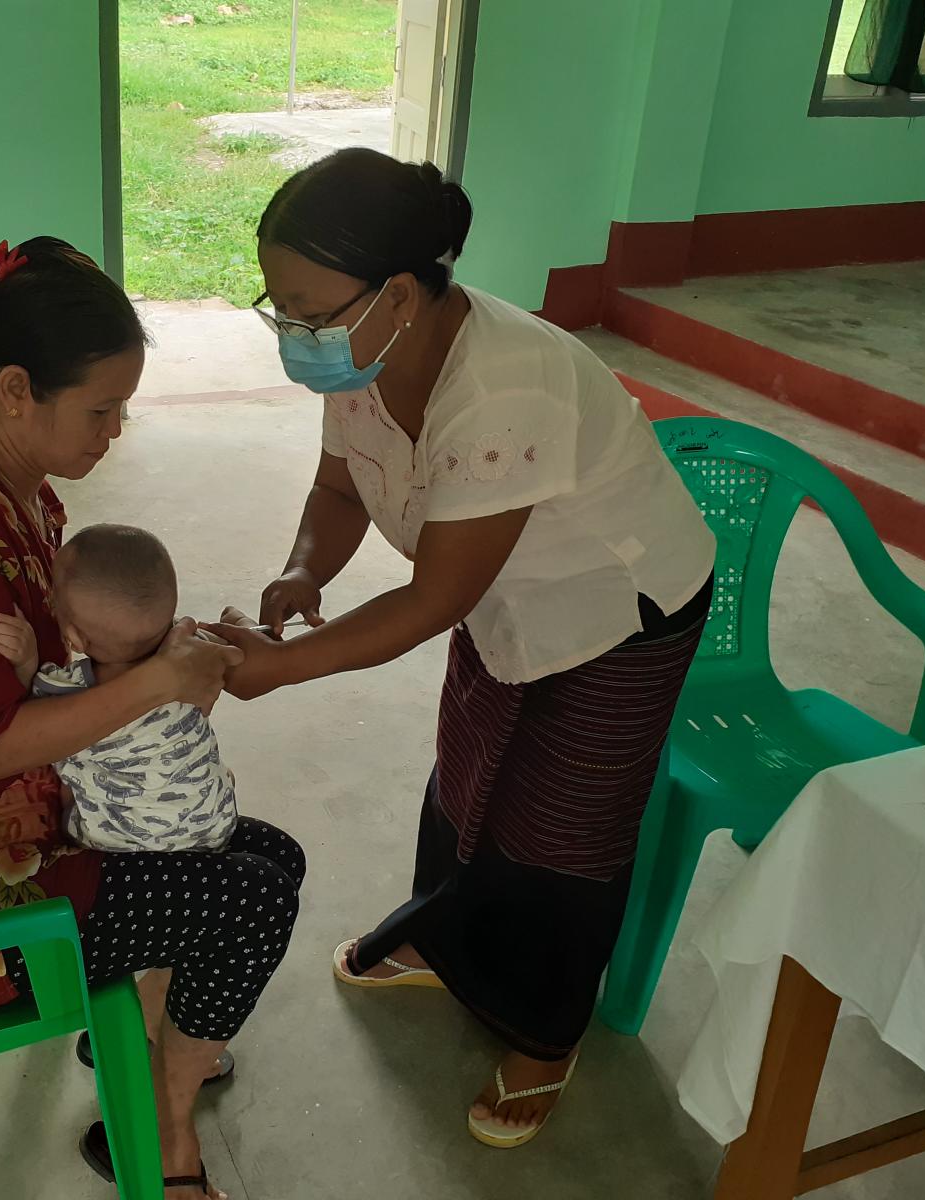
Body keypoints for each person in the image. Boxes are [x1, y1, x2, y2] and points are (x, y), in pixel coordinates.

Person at [206, 149, 716, 1149]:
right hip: (502, 593)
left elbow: (435, 598)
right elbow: (340, 487)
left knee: (559, 831)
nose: (294, 336)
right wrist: (304, 570)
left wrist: (282, 668)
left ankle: (544, 1035)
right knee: (469, 779)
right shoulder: (368, 352)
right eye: (279, 310)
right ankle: (443, 944)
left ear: (398, 293)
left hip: (617, 608)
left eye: (307, 312)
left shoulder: (502, 388)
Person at [0, 237, 303, 1199]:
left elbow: (69, 655)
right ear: (17, 391)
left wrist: (171, 645)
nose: (116, 431)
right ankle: (161, 1128)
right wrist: (160, 681)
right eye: (100, 409)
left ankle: (142, 1042)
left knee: (272, 858)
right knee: (252, 901)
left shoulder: (18, 493)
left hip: (37, 830)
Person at [0, 522, 239, 854]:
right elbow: (235, 650)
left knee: (72, 774)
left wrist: (26, 660)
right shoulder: (191, 652)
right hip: (212, 823)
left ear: (74, 638)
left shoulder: (70, 688)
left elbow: (32, 718)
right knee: (276, 857)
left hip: (125, 847)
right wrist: (241, 624)